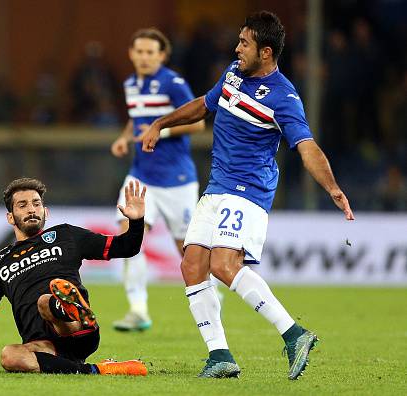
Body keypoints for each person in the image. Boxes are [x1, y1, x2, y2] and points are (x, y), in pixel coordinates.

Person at [139, 11, 354, 379]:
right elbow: (204, 105)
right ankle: (220, 355)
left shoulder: (285, 97)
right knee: (192, 265)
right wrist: (161, 122)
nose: (237, 48)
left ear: (266, 52)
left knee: (223, 265)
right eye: (239, 40)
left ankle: (294, 333)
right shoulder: (233, 74)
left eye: (245, 43)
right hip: (217, 187)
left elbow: (306, 146)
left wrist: (332, 187)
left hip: (248, 190)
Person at [0, 177, 148, 376]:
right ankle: (97, 370)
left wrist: (137, 222)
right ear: (10, 217)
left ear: (46, 211)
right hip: (44, 346)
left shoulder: (67, 236)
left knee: (45, 301)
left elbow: (126, 247)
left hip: (78, 331)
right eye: (23, 205)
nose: (31, 209)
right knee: (10, 355)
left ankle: (75, 311)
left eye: (36, 204)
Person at [110, 28, 206, 331]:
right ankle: (138, 309)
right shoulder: (130, 84)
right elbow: (135, 119)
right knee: (129, 236)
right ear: (131, 53)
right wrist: (125, 138)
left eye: (151, 52)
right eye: (139, 51)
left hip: (176, 179)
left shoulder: (173, 83)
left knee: (187, 250)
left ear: (162, 55)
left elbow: (198, 123)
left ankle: (210, 293)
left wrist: (159, 130)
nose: (144, 57)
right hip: (141, 176)